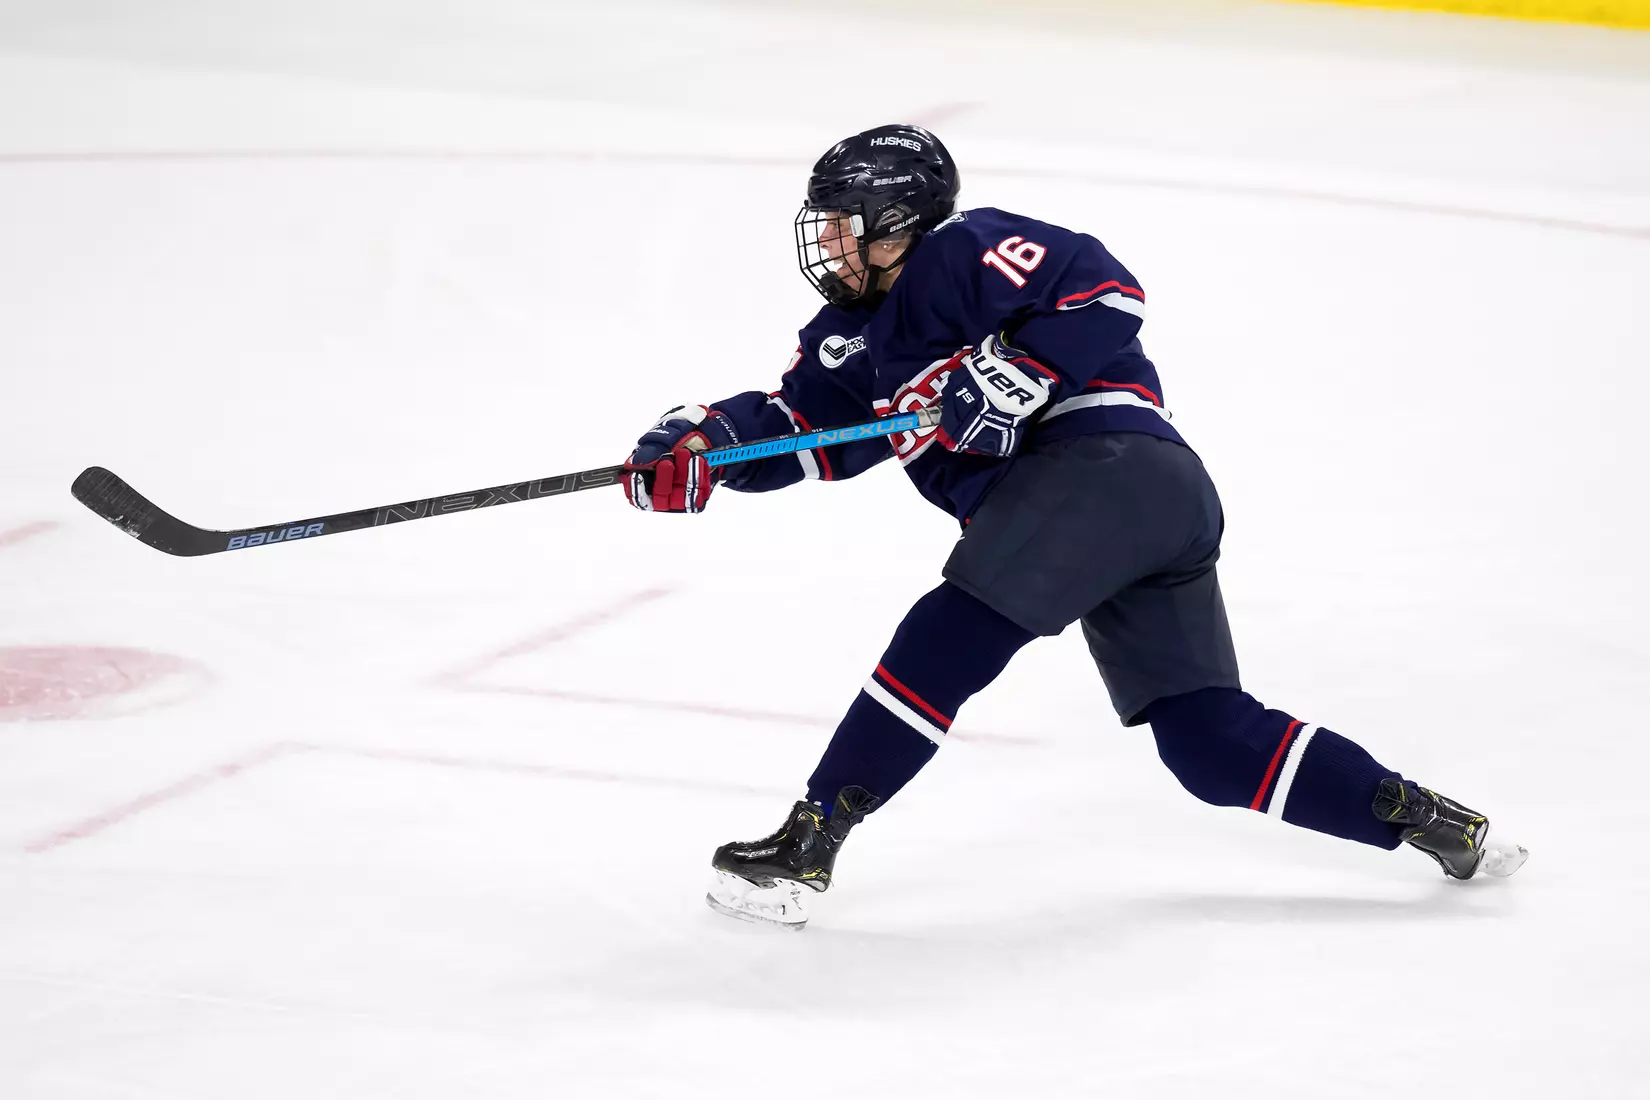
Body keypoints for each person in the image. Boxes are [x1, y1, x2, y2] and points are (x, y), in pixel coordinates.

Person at [621, 124, 1526, 928]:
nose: (827, 243)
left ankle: (808, 842)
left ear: (895, 221)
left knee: (945, 636)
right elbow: (801, 430)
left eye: (841, 223)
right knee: (1210, 744)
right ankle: (1422, 815)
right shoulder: (847, 341)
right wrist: (705, 449)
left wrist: (1019, 369)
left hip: (1100, 465)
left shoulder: (961, 253)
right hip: (1140, 506)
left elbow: (1104, 288)